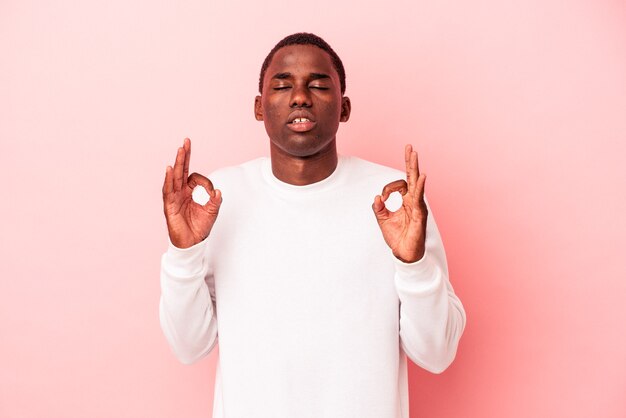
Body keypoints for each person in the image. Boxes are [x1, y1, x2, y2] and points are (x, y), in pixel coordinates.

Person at [160, 32, 466, 418]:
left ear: (344, 108)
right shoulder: (218, 200)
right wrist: (184, 254)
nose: (300, 96)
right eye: (283, 85)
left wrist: (415, 265)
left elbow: (436, 354)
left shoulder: (394, 202)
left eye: (319, 85)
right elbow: (189, 347)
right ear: (259, 107)